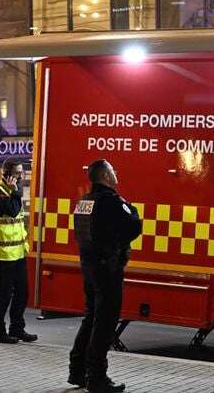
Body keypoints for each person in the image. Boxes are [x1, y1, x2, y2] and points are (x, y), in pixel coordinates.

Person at [68, 160, 142, 393]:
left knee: (91, 318)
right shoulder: (110, 201)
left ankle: (77, 370)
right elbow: (134, 225)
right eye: (112, 170)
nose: (116, 172)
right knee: (105, 323)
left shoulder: (84, 202)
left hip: (89, 267)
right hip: (107, 269)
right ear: (105, 176)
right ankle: (97, 378)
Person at [0, 158, 37, 344]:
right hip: (4, 253)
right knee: (3, 293)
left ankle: (17, 328)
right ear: (6, 173)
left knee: (22, 291)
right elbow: (12, 211)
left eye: (21, 173)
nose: (20, 177)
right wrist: (16, 192)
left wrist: (16, 192)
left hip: (18, 251)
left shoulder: (13, 191)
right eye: (16, 173)